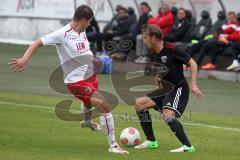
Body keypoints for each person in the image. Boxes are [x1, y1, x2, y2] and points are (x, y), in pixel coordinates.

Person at [8, 5, 128, 154]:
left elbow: (83, 52)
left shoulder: (82, 32)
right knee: (104, 106)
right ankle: (113, 146)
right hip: (76, 82)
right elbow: (37, 43)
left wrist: (98, 59)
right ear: (83, 20)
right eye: (89, 21)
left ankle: (87, 121)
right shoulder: (62, 34)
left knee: (88, 101)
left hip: (90, 75)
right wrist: (24, 59)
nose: (90, 24)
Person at [134, 24, 203, 152]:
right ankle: (151, 141)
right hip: (165, 89)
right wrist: (158, 78)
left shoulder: (172, 48)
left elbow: (192, 63)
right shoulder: (154, 52)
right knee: (140, 104)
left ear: (153, 37)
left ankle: (188, 146)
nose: (144, 41)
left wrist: (193, 84)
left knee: (167, 115)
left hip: (178, 89)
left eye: (145, 38)